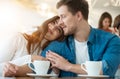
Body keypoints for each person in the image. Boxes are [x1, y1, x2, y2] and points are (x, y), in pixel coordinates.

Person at [3, 0, 120, 78]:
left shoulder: (111, 40)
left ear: (78, 16)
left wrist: (68, 66)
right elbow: (41, 65)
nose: (60, 22)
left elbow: (107, 68)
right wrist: (16, 69)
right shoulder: (58, 44)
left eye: (63, 17)